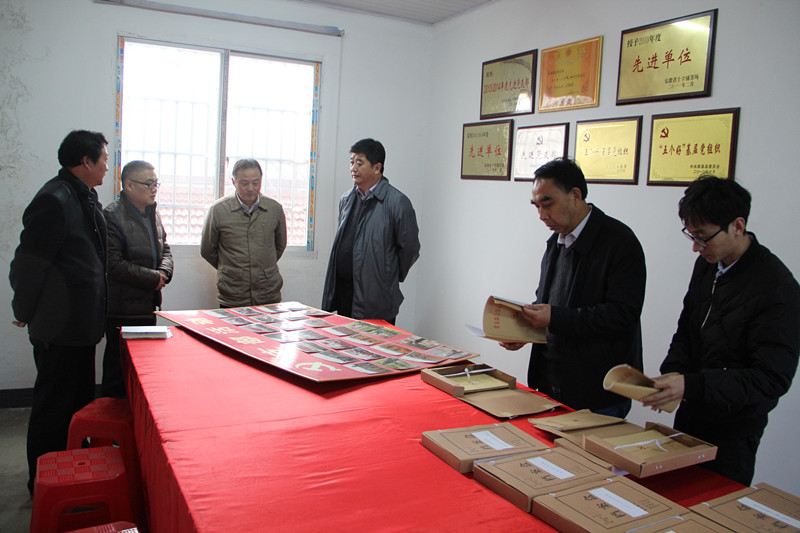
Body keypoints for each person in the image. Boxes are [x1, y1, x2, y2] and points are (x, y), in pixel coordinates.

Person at [642, 176, 800, 486]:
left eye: (703, 237)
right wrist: (673, 374)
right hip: (691, 413)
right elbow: (687, 328)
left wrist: (692, 385)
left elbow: (771, 379)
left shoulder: (778, 288)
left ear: (737, 226)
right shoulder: (708, 264)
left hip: (733, 432)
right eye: (691, 235)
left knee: (711, 504)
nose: (695, 247)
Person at [500, 158, 646, 418]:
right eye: (537, 206)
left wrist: (554, 317)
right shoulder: (555, 242)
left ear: (576, 196)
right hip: (550, 381)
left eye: (548, 204)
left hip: (598, 390)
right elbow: (547, 302)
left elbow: (622, 315)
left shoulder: (620, 242)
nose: (542, 215)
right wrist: (524, 331)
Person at [9, 130, 109, 493]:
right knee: (54, 407)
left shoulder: (82, 196)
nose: (107, 167)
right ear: (86, 161)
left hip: (79, 325)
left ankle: (71, 473)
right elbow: (28, 264)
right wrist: (24, 308)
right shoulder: (54, 199)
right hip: (59, 326)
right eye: (104, 159)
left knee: (77, 405)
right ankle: (44, 483)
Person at [321, 138, 420, 324]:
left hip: (376, 299)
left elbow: (410, 248)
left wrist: (388, 275)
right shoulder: (346, 199)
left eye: (360, 163)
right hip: (345, 295)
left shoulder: (397, 203)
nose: (353, 168)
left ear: (377, 167)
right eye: (351, 162)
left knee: (374, 343)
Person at [102, 160, 173, 397]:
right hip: (122, 309)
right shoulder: (112, 216)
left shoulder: (152, 213)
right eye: (149, 184)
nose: (154, 189)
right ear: (129, 185)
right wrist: (153, 279)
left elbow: (165, 250)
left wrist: (164, 273)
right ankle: (113, 419)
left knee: (144, 371)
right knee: (118, 372)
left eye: (156, 184)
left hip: (147, 305)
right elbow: (113, 264)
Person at [201, 158, 287, 307]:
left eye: (256, 182)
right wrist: (230, 269)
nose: (251, 188)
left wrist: (261, 267)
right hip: (233, 293)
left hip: (267, 292)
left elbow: (280, 245)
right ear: (234, 182)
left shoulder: (274, 209)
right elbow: (207, 250)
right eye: (244, 183)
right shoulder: (218, 210)